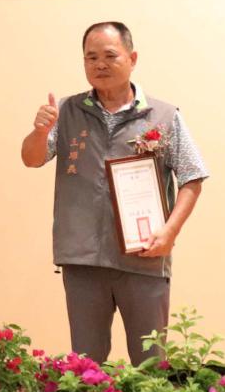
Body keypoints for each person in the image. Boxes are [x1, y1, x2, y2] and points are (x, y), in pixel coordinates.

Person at [21, 21, 207, 365]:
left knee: (150, 362)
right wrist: (40, 131)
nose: (100, 65)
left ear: (132, 58)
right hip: (83, 259)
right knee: (86, 363)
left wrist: (169, 232)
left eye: (109, 55)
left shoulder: (163, 115)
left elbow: (193, 177)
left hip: (144, 258)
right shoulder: (67, 110)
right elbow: (32, 159)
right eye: (91, 58)